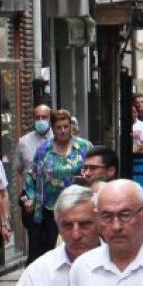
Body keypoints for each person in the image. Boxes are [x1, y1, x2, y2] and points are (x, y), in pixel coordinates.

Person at [23, 107, 91, 259]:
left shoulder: (84, 147)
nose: (63, 131)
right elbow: (31, 175)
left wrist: (88, 176)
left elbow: (95, 170)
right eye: (59, 127)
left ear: (70, 127)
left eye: (66, 126)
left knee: (79, 246)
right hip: (51, 210)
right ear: (53, 129)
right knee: (52, 251)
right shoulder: (44, 150)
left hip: (78, 206)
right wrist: (30, 197)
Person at [15, 103, 55, 236]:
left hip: (53, 198)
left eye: (44, 117)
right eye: (37, 117)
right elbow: (19, 171)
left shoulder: (58, 139)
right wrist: (25, 195)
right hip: (31, 199)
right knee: (35, 240)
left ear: (50, 118)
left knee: (53, 239)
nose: (40, 120)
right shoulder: (23, 142)